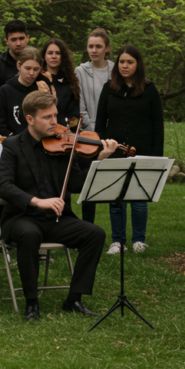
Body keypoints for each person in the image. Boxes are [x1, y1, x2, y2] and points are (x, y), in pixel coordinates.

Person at [0, 91, 118, 321]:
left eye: (55, 115)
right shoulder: (12, 145)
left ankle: (74, 299)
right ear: (30, 119)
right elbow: (3, 185)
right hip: (22, 217)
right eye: (47, 117)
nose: (55, 122)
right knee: (29, 234)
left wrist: (101, 160)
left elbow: (76, 185)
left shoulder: (64, 144)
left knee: (95, 234)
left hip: (57, 218)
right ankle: (32, 303)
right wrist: (38, 201)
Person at [95, 45, 164, 255]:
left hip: (142, 150)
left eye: (130, 62)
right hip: (114, 151)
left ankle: (138, 240)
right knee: (116, 198)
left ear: (138, 65)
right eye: (122, 62)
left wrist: (156, 156)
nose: (125, 66)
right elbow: (100, 123)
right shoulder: (109, 88)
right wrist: (100, 149)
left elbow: (157, 124)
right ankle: (117, 241)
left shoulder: (149, 89)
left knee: (138, 198)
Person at [75, 29, 114, 225]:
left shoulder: (116, 71)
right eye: (91, 46)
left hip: (112, 135)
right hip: (88, 134)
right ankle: (87, 226)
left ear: (107, 48)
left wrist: (107, 132)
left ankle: (119, 235)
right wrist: (95, 131)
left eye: (98, 46)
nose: (94, 50)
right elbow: (80, 106)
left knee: (115, 184)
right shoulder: (80, 71)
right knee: (88, 182)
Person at [0, 47, 52, 137]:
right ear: (19, 66)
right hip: (13, 141)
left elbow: (50, 118)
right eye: (27, 68)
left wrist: (45, 98)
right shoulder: (5, 91)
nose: (31, 73)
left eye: (36, 69)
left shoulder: (42, 87)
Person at [40, 38, 80, 127]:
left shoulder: (70, 82)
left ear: (63, 56)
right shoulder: (37, 80)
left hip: (63, 133)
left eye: (58, 53)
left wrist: (71, 131)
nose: (54, 56)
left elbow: (74, 114)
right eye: (50, 53)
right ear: (44, 56)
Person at [0, 20, 30, 98]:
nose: (18, 43)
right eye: (13, 40)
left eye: (21, 38)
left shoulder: (37, 62)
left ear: (27, 38)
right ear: (6, 42)